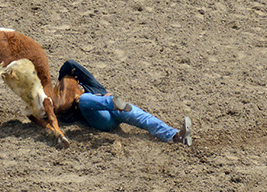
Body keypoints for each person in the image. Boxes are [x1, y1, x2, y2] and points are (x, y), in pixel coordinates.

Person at [55, 60, 192, 146]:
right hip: (104, 119)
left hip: (117, 109)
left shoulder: (89, 84)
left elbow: (70, 63)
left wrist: (60, 80)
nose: (78, 87)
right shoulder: (71, 106)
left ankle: (176, 136)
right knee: (84, 100)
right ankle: (111, 102)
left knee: (142, 117)